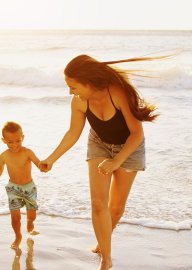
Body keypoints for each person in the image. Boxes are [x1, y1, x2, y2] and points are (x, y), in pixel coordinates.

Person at [39, 54, 159, 270]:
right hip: (99, 143)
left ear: (88, 81)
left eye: (73, 86)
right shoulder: (78, 102)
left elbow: (136, 133)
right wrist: (51, 159)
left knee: (115, 208)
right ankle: (106, 258)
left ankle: (103, 240)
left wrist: (117, 161)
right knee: (97, 204)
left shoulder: (117, 93)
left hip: (129, 147)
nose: (70, 91)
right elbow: (73, 133)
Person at [0, 122, 41, 249]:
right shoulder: (4, 156)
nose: (14, 145)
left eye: (18, 141)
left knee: (32, 215)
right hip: (13, 188)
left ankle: (30, 223)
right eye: (10, 142)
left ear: (22, 137)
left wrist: (44, 166)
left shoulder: (27, 152)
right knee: (15, 217)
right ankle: (18, 236)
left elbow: (38, 163)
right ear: (4, 141)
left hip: (29, 188)